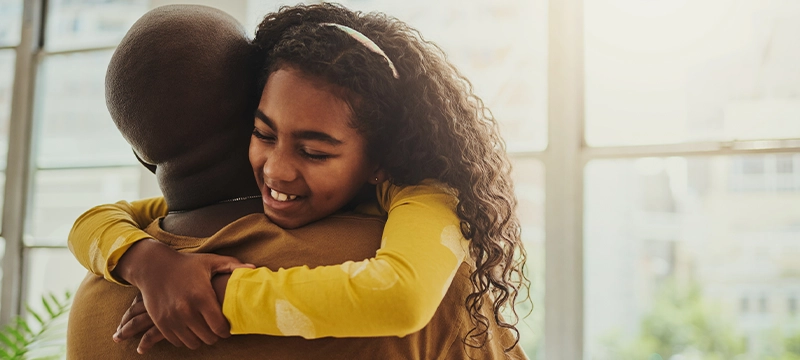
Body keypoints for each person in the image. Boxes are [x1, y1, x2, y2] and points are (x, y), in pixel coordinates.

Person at [67, 3, 527, 359]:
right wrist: (146, 262)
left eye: (314, 151)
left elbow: (402, 299)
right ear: (257, 107)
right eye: (265, 134)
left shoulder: (92, 303)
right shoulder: (447, 290)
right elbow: (109, 216)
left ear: (141, 156)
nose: (278, 169)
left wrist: (215, 293)